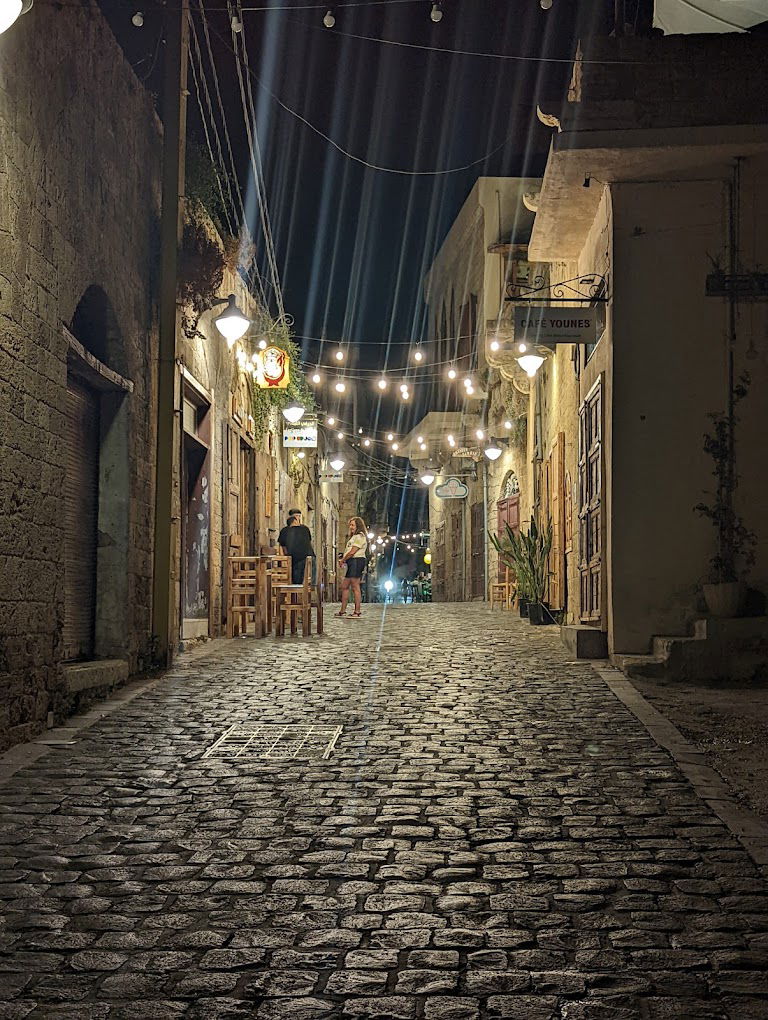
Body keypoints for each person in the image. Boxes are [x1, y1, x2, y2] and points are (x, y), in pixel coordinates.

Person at [336, 516, 368, 618]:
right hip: (352, 562)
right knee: (345, 586)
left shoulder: (360, 537)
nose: (350, 527)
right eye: (350, 525)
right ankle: (342, 610)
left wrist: (343, 560)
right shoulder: (354, 537)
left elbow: (353, 552)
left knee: (355, 586)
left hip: (356, 561)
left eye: (353, 525)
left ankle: (357, 611)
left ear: (358, 526)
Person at [282, 512, 315, 584]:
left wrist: (286, 557)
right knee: (308, 576)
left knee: (296, 578)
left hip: (294, 559)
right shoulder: (305, 528)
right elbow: (309, 541)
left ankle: (296, 590)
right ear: (294, 520)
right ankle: (312, 586)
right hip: (308, 556)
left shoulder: (284, 530)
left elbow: (283, 547)